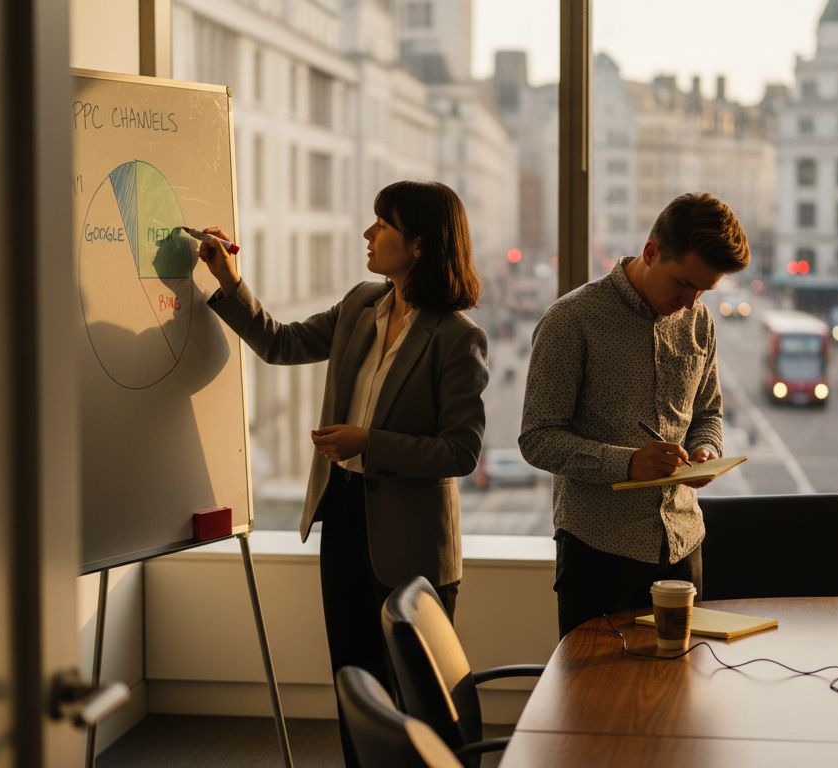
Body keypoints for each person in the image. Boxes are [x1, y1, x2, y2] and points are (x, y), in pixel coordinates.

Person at [195, 180, 489, 768]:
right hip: (346, 516)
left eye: (382, 223)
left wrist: (368, 443)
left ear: (420, 245)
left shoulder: (458, 339)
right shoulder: (361, 305)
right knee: (354, 684)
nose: (368, 234)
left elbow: (460, 452)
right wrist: (229, 280)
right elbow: (281, 344)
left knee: (417, 705)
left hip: (411, 537)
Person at [519, 192, 750, 638]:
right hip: (597, 553)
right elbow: (537, 438)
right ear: (650, 252)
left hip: (684, 545)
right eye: (683, 283)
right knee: (593, 698)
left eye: (703, 289)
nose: (691, 301)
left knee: (683, 692)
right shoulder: (571, 320)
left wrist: (706, 448)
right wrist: (627, 463)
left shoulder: (700, 320)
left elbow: (708, 411)